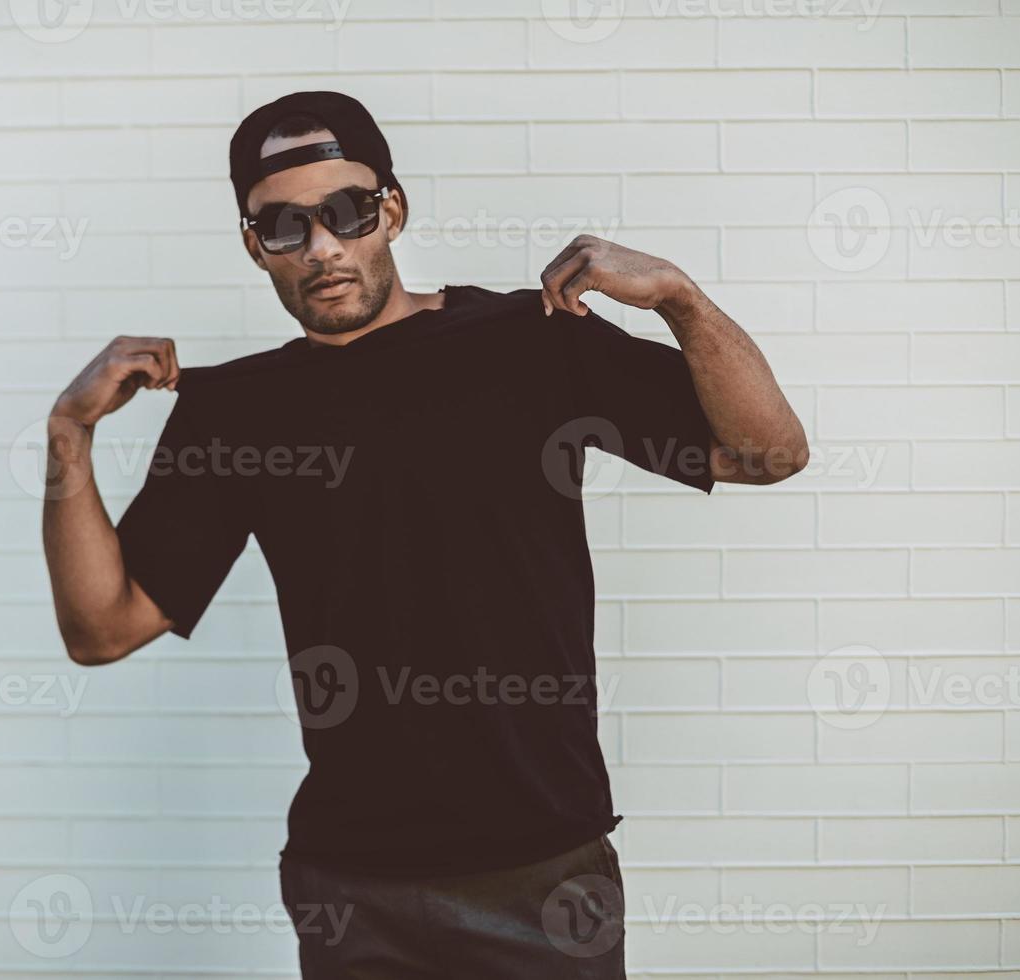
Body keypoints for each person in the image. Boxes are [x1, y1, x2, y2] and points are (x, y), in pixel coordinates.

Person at [42, 91, 808, 978]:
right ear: (256, 247)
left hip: (545, 874)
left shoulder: (532, 341)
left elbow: (768, 454)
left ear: (391, 212)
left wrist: (679, 297)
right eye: (286, 227)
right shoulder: (234, 411)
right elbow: (102, 630)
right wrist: (70, 431)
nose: (322, 247)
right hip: (354, 890)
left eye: (345, 213)